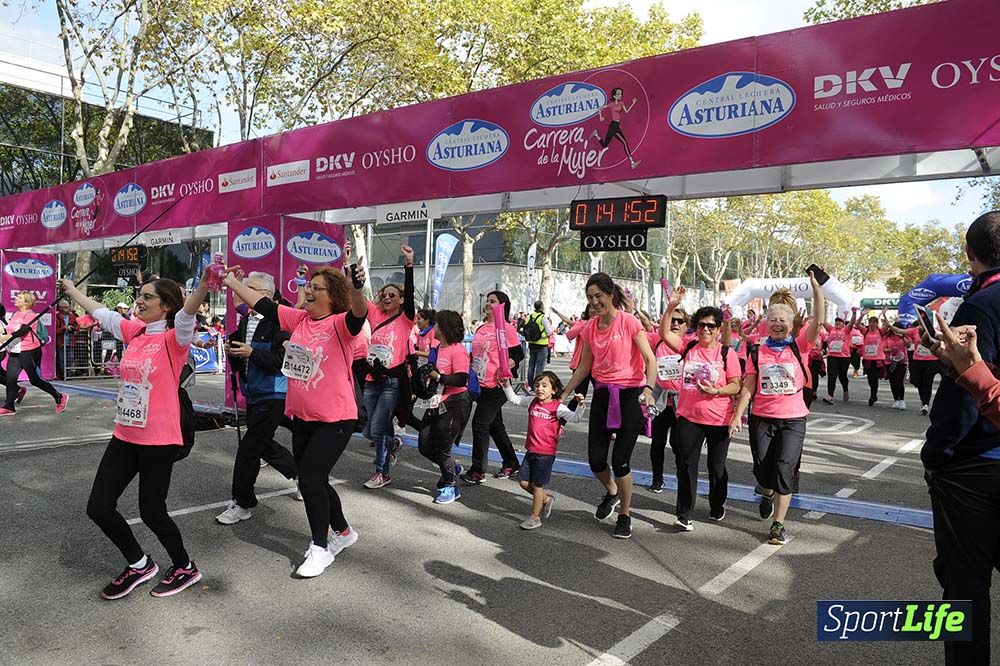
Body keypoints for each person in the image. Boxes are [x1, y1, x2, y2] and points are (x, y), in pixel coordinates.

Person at [60, 272, 208, 599]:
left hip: (159, 439)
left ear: (166, 306)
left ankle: (185, 567)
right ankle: (140, 564)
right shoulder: (135, 331)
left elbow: (187, 315)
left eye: (147, 297)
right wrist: (70, 290)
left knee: (152, 512)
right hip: (125, 435)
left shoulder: (174, 338)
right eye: (139, 295)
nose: (139, 301)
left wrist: (204, 285)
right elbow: (100, 312)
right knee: (99, 507)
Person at [224, 260, 368, 579]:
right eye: (308, 286)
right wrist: (231, 283)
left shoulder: (341, 323)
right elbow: (263, 303)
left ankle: (320, 548)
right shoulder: (299, 318)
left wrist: (357, 288)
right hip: (303, 416)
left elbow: (359, 313)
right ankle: (344, 532)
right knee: (314, 479)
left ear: (333, 295)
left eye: (316, 288)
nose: (309, 292)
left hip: (336, 418)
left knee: (311, 479)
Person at [921, 210, 1000, 665]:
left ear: (970, 254)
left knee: (964, 592)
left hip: (975, 469)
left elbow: (963, 405)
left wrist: (937, 453)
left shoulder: (981, 306)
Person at [731, 272, 825, 546]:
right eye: (772, 320)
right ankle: (766, 491)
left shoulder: (800, 346)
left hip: (793, 419)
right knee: (763, 469)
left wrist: (816, 289)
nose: (777, 324)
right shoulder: (757, 351)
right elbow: (748, 386)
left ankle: (778, 523)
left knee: (785, 468)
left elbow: (818, 321)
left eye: (783, 320)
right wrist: (737, 415)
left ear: (791, 324)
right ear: (766, 324)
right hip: (761, 417)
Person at [562, 273, 657, 539]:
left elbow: (650, 360)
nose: (594, 302)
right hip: (604, 393)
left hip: (631, 395)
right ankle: (612, 491)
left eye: (599, 296)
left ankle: (625, 515)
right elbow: (585, 366)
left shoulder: (628, 322)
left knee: (620, 461)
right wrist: (564, 393)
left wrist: (648, 390)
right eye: (590, 298)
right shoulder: (590, 327)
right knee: (596, 460)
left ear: (611, 295)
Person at [216, 272, 299, 525]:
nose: (243, 293)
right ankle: (301, 475)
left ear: (265, 295)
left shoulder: (280, 322)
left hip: (274, 394)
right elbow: (243, 358)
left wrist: (252, 352)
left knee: (249, 449)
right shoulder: (246, 319)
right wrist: (234, 352)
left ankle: (243, 502)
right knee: (262, 444)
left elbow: (283, 361)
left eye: (249, 289)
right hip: (252, 392)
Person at [660, 292, 741, 530]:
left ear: (718, 330)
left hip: (719, 418)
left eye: (711, 326)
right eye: (701, 325)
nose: (705, 329)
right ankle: (684, 514)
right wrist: (671, 306)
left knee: (716, 467)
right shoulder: (688, 347)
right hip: (689, 416)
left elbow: (736, 385)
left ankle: (717, 503)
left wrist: (717, 391)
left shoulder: (727, 353)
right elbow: (664, 333)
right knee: (686, 464)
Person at [501, 371, 585, 529]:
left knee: (537, 485)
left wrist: (580, 406)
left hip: (546, 453)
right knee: (523, 482)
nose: (539, 388)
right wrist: (506, 385)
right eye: (537, 385)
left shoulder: (557, 407)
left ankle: (535, 517)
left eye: (544, 386)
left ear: (554, 390)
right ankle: (546, 499)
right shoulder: (532, 401)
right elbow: (514, 399)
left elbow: (575, 418)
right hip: (531, 450)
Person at [362, 245, 415, 490]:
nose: (387, 297)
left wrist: (409, 265)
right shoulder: (375, 315)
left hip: (392, 382)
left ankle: (381, 472)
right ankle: (393, 443)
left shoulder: (406, 319)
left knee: (377, 429)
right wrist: (347, 267)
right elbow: (357, 296)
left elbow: (410, 295)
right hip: (371, 379)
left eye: (392, 295)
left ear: (401, 300)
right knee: (371, 431)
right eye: (384, 294)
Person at [460, 291, 525, 484]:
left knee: (480, 424)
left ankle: (477, 471)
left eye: (493, 301)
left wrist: (505, 368)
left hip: (498, 386)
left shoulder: (506, 328)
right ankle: (511, 462)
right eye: (487, 301)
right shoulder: (480, 328)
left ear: (502, 306)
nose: (488, 304)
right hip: (480, 385)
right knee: (495, 426)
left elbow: (518, 354)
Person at [415, 310, 472, 505]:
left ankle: (450, 485)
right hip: (437, 400)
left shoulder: (458, 350)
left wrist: (439, 377)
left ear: (445, 327)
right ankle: (451, 468)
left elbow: (462, 378)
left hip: (456, 402)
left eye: (437, 325)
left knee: (442, 447)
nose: (434, 328)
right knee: (424, 444)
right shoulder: (438, 347)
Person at [0, 291, 67, 416]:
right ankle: (9, 406)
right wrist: (3, 334)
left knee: (35, 380)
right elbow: (8, 330)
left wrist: (5, 337)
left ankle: (59, 397)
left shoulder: (30, 315)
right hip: (15, 350)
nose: (16, 298)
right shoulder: (15, 314)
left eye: (19, 297)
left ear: (26, 302)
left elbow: (22, 332)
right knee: (10, 379)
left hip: (29, 352)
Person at [648, 306, 688, 493]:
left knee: (679, 446)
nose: (675, 324)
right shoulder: (657, 340)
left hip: (682, 404)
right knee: (657, 443)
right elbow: (638, 330)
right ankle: (657, 479)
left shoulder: (691, 344)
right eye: (672, 320)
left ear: (686, 326)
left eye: (680, 321)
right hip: (660, 402)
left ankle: (683, 481)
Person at [553, 304, 593, 409]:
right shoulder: (582, 323)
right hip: (581, 364)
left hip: (598, 366)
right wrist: (587, 324)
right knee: (580, 395)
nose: (595, 309)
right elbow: (570, 333)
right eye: (591, 307)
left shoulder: (604, 324)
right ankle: (564, 417)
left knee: (602, 395)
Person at [590, 87, 640, 169]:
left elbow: (627, 111)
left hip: (616, 125)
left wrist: (633, 103)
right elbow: (600, 108)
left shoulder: (621, 103)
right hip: (613, 126)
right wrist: (600, 117)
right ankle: (632, 163)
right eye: (618, 94)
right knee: (625, 143)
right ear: (614, 96)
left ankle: (596, 134)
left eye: (621, 94)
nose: (620, 95)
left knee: (605, 145)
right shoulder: (611, 104)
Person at [906, 323, 941, 415]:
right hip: (917, 360)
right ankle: (923, 400)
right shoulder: (914, 331)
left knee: (927, 382)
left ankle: (925, 404)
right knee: (916, 381)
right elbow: (901, 331)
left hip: (931, 361)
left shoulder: (934, 332)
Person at [822, 312, 857, 404]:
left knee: (842, 376)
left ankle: (845, 390)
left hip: (844, 357)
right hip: (832, 356)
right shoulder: (831, 329)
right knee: (831, 376)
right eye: (836, 321)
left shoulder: (846, 330)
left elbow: (852, 323)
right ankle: (830, 395)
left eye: (840, 321)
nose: (837, 322)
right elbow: (823, 321)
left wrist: (854, 314)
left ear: (843, 324)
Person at [859, 312, 890, 406]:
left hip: (877, 359)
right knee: (870, 379)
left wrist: (884, 314)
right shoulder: (865, 331)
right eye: (871, 322)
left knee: (874, 378)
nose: (872, 324)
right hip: (867, 359)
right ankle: (873, 393)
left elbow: (888, 325)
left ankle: (873, 396)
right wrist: (862, 315)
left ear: (877, 324)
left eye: (874, 322)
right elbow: (857, 324)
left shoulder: (880, 331)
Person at [523, 300, 551, 387]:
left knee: (531, 365)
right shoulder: (543, 317)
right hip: (542, 344)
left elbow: (526, 328)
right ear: (542, 307)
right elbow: (548, 331)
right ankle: (537, 385)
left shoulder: (530, 316)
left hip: (532, 343)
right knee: (540, 366)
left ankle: (530, 384)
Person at [883, 325, 910, 410]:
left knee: (899, 381)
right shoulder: (887, 337)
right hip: (890, 362)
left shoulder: (904, 336)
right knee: (893, 381)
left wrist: (902, 337)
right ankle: (896, 399)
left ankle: (902, 400)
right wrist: (891, 349)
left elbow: (908, 345)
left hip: (902, 362)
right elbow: (883, 349)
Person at [54, 299, 78, 380]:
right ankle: (62, 375)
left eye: (68, 307)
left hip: (70, 342)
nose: (69, 308)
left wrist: (72, 328)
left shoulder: (72, 316)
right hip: (60, 342)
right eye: (67, 307)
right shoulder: (56, 317)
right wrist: (64, 328)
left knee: (70, 358)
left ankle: (68, 374)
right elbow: (55, 331)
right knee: (61, 359)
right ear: (61, 308)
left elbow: (77, 326)